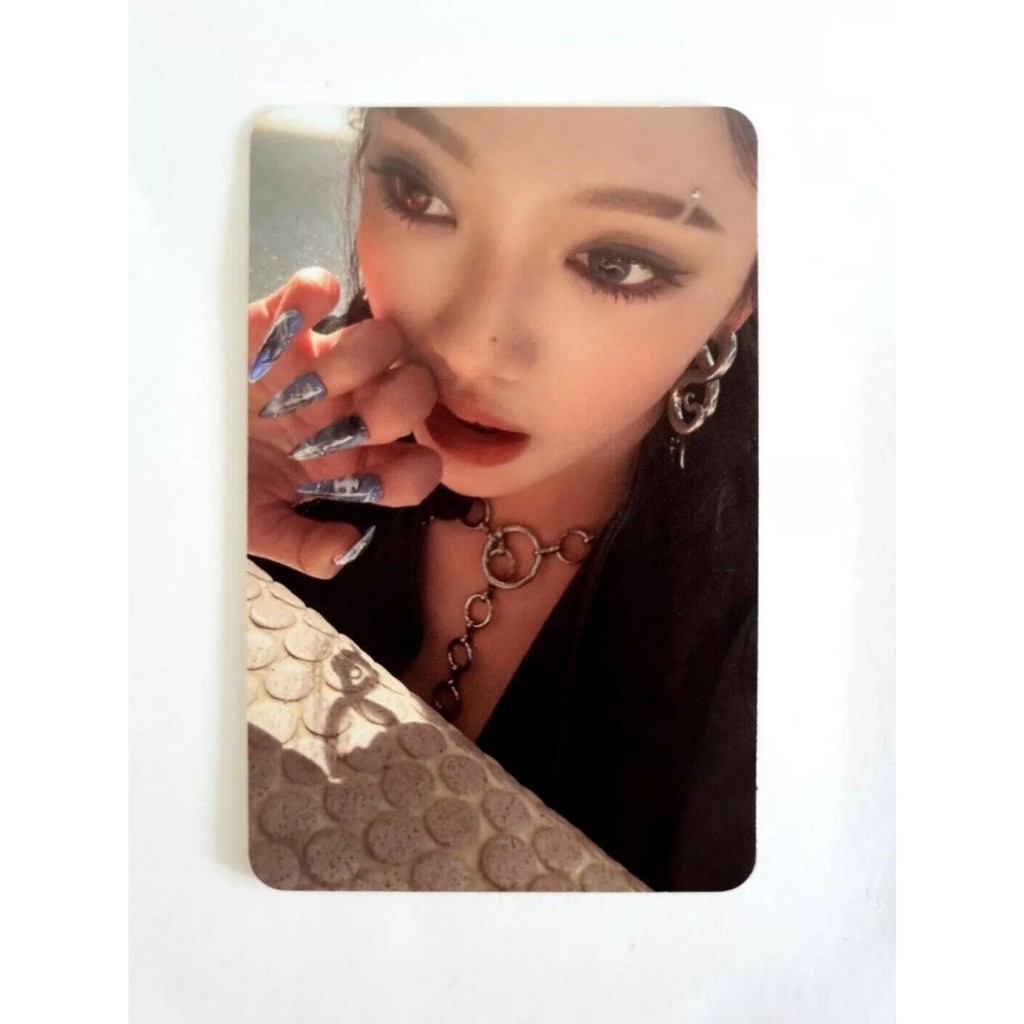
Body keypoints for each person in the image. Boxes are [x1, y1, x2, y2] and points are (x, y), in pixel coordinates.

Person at [247, 107, 758, 891]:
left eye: (616, 264)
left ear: (738, 299)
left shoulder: (802, 629)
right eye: (418, 193)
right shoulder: (267, 418)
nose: (470, 346)